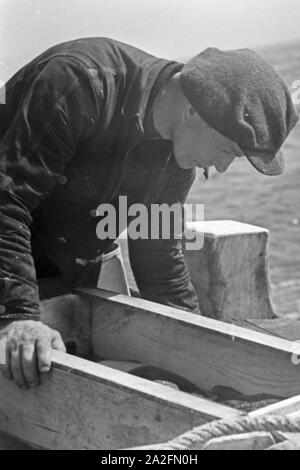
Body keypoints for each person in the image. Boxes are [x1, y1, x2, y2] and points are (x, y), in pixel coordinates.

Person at [0, 38, 298, 389]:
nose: (221, 166)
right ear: (192, 112)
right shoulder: (78, 82)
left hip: (72, 260)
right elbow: (7, 202)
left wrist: (199, 346)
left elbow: (156, 255)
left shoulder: (175, 156)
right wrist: (18, 315)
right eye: (228, 150)